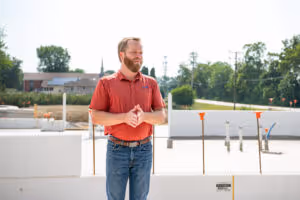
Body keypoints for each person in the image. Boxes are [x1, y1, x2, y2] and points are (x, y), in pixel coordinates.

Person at [89, 37, 166, 200]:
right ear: (122, 55)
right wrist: (124, 118)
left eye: (141, 52)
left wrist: (144, 116)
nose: (139, 56)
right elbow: (95, 116)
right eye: (134, 52)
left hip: (144, 150)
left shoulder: (151, 83)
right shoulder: (105, 83)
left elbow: (161, 116)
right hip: (117, 150)